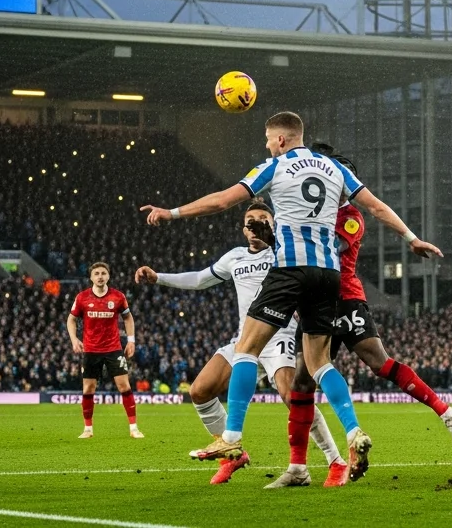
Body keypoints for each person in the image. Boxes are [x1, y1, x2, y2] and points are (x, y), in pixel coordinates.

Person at [141, 111, 441, 484]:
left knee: (246, 349)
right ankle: (351, 432)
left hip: (290, 269)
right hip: (329, 275)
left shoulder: (275, 165)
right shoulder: (334, 170)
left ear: (281, 139)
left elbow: (222, 201)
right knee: (318, 364)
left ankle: (231, 438)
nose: (267, 145)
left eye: (268, 139)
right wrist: (412, 239)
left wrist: (171, 212)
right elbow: (376, 207)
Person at [135, 202, 348, 486]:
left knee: (293, 397)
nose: (256, 224)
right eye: (251, 220)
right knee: (200, 390)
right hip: (244, 340)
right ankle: (232, 454)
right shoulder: (235, 257)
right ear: (243, 228)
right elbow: (200, 279)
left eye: (263, 219)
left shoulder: (285, 252)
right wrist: (159, 277)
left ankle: (336, 461)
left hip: (279, 337)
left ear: (274, 225)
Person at [285, 143, 452, 459]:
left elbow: (330, 247)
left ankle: (446, 412)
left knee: (378, 363)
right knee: (301, 383)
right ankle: (301, 466)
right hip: (314, 301)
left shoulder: (351, 216)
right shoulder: (317, 210)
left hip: (344, 299)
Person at [67, 262, 142, 439]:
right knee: (88, 389)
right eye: (96, 273)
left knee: (124, 385)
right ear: (91, 277)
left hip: (113, 349)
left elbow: (128, 318)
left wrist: (131, 340)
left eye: (103, 273)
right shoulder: (82, 297)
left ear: (108, 276)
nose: (100, 276)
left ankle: (134, 428)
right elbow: (71, 320)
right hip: (91, 350)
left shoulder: (118, 297)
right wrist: (74, 339)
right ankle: (88, 429)